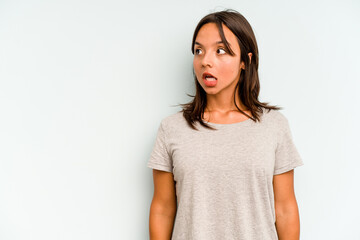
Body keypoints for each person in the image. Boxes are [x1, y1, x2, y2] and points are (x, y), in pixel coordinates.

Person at [147, 9, 304, 240]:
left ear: (245, 61)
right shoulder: (172, 129)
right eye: (199, 51)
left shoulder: (274, 126)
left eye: (221, 51)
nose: (205, 61)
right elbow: (162, 209)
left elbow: (285, 209)